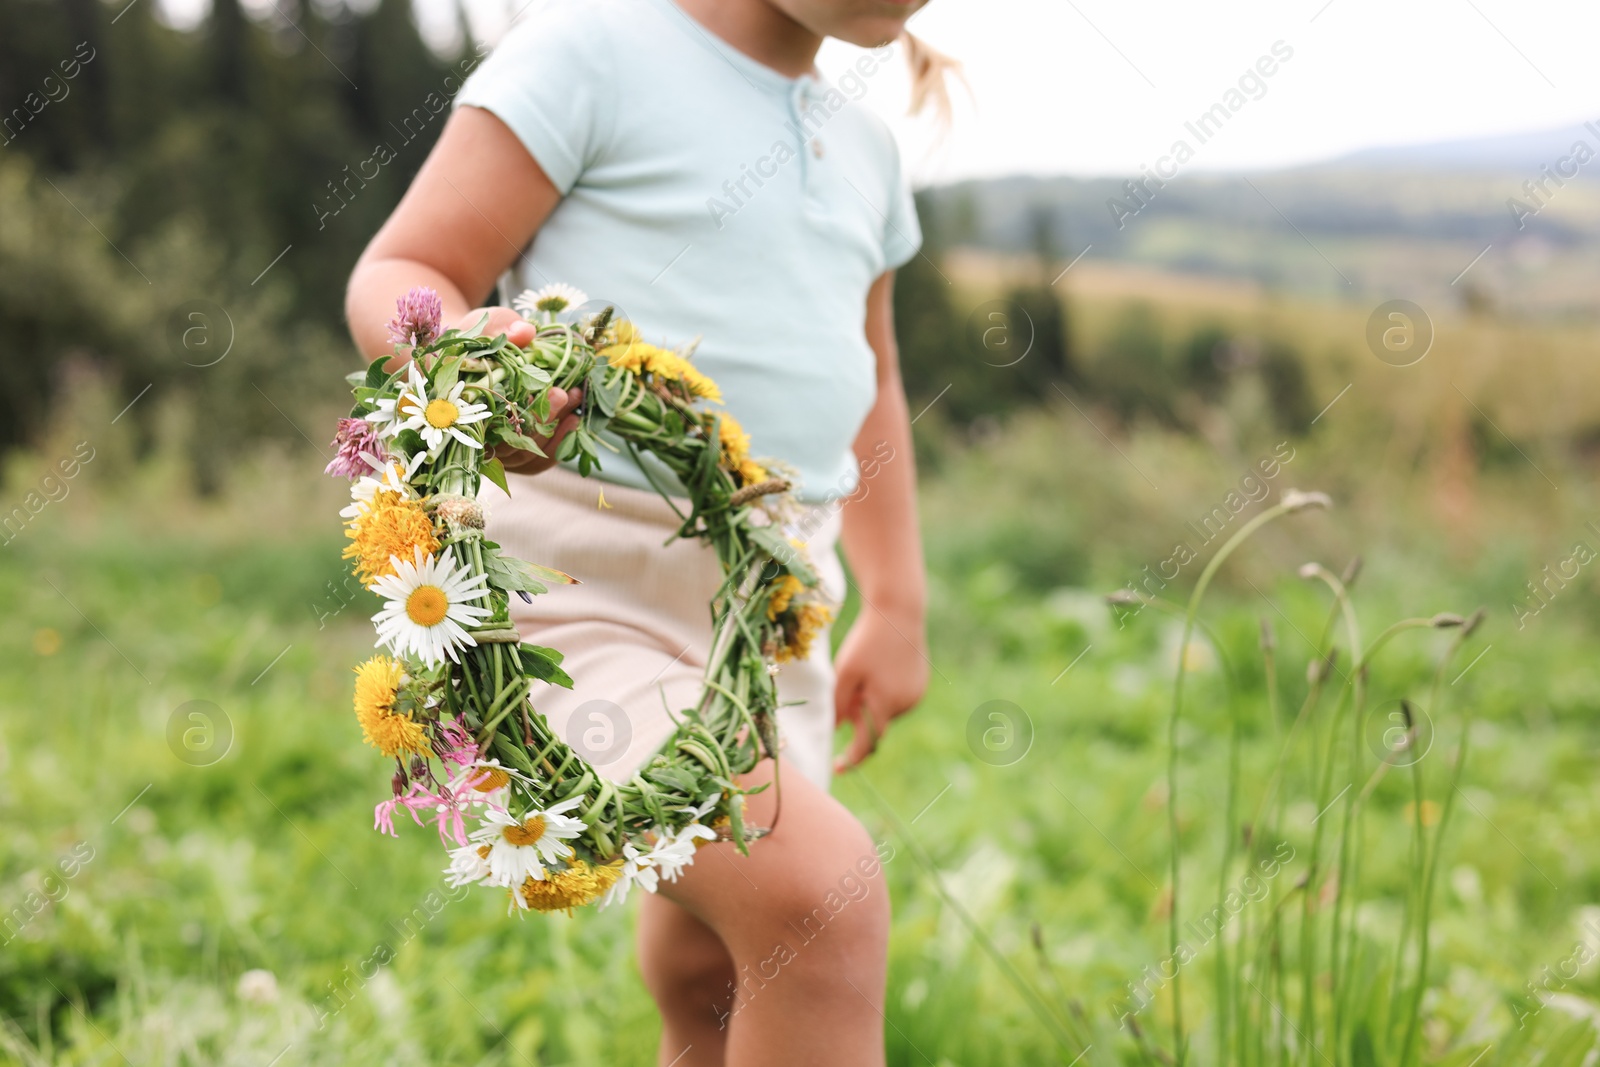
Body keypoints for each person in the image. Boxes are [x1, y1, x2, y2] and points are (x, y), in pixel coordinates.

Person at [345, 1, 957, 1061]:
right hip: (574, 587)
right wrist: (478, 364)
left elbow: (873, 383)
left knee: (721, 972)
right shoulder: (592, 52)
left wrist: (897, 598)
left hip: (770, 608)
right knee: (818, 904)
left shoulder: (865, 147)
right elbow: (402, 271)